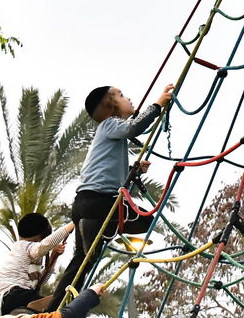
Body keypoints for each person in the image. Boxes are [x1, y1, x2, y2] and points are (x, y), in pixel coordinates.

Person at [47, 83, 174, 303]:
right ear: (110, 107)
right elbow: (133, 128)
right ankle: (108, 228)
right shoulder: (110, 124)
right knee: (146, 221)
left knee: (81, 262)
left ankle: (57, 308)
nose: (129, 98)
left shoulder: (109, 135)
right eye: (121, 95)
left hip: (85, 202)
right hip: (100, 201)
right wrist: (157, 105)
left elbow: (108, 172)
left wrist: (132, 171)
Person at [0, 213, 74, 316]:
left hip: (0, 304)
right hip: (13, 297)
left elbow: (41, 281)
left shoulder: (21, 252)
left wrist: (54, 256)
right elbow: (45, 245)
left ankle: (27, 310)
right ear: (41, 237)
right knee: (57, 301)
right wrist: (72, 224)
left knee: (50, 301)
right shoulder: (26, 246)